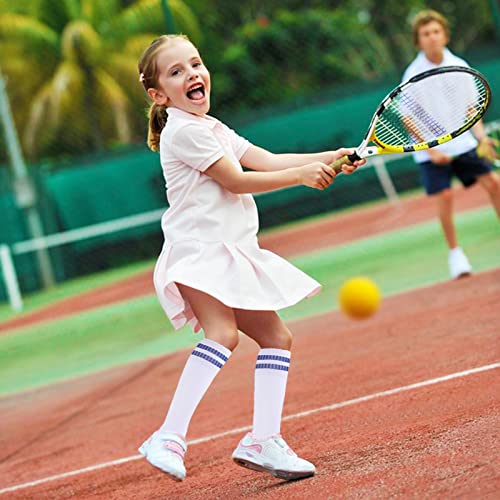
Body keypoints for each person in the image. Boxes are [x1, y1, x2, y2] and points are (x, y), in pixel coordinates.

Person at [136, 34, 364, 482]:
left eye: (196, 64)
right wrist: (300, 176)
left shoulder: (211, 127)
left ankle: (262, 440)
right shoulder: (182, 132)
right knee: (223, 335)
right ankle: (168, 435)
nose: (193, 75)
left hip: (232, 251)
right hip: (198, 252)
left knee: (277, 338)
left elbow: (266, 158)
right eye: (177, 71)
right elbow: (237, 181)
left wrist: (332, 157)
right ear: (158, 94)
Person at [402, 9, 500, 280]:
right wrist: (431, 150)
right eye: (425, 34)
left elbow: (471, 111)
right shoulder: (413, 74)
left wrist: (481, 139)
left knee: (494, 183)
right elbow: (408, 119)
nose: (432, 37)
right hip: (430, 148)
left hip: (462, 142)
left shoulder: (460, 65)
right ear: (418, 41)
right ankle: (456, 254)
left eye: (435, 32)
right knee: (445, 196)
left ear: (444, 35)